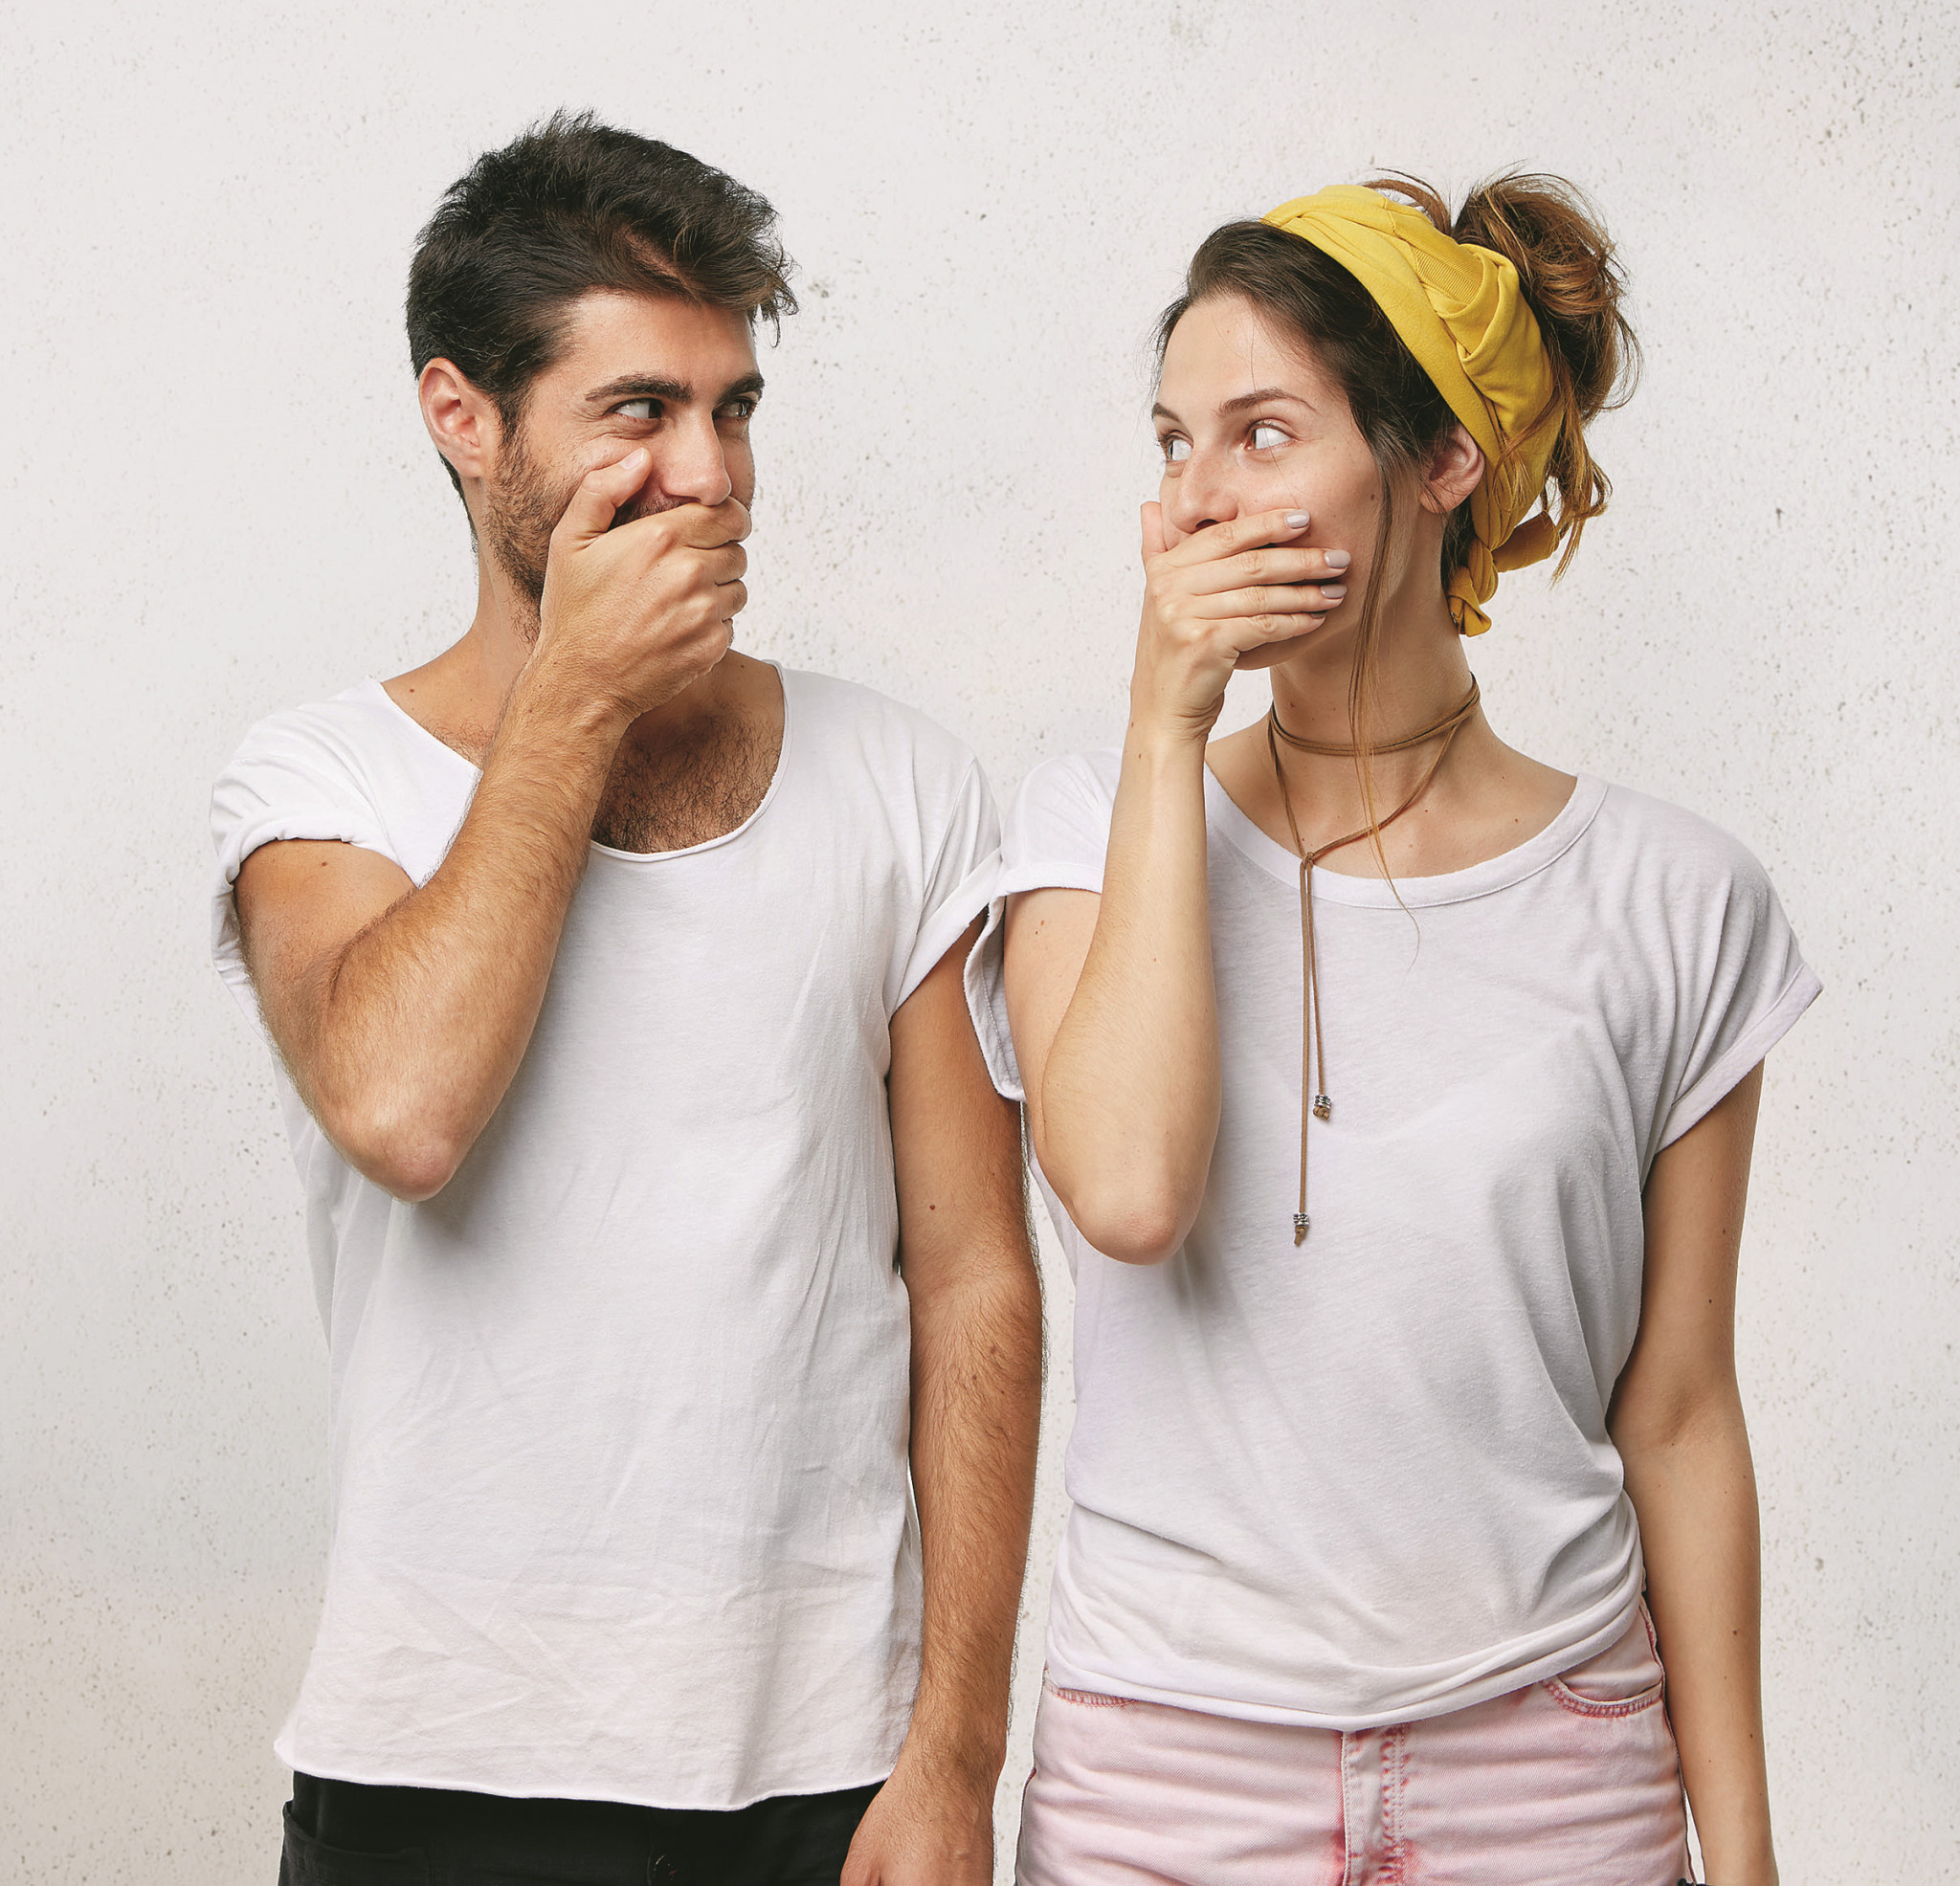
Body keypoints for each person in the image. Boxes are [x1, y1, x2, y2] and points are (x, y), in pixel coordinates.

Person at [209, 112, 1040, 1886]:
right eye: (640, 411)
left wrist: (957, 1757)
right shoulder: (319, 785)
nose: (711, 474)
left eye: (733, 409)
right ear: (464, 418)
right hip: (439, 1765)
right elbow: (405, 1112)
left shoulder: (904, 782)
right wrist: (577, 698)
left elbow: (975, 1278)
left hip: (827, 1774)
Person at [989, 175, 1815, 1884]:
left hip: (1555, 1772)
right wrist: (1163, 731)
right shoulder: (1086, 836)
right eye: (1173, 445)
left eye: (1262, 434)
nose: (1194, 503)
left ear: (1442, 460)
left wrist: (1741, 1855)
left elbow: (1678, 1413)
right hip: (1166, 1776)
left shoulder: (1675, 900)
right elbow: (1127, 1192)